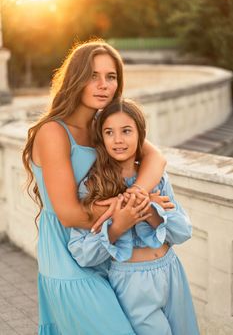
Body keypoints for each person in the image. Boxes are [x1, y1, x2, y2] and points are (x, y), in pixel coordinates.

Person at [22, 39, 169, 335]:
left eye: (111, 76)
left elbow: (156, 156)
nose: (103, 85)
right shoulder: (54, 132)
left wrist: (134, 194)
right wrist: (129, 210)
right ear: (75, 79)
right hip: (67, 260)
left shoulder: (103, 127)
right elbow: (68, 214)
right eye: (93, 76)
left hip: (106, 252)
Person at [68, 99, 200, 335]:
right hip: (132, 284)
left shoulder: (157, 178)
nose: (118, 140)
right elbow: (81, 253)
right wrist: (118, 226)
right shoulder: (92, 186)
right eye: (109, 132)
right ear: (102, 138)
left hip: (171, 271)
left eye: (126, 131)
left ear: (141, 135)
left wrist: (149, 210)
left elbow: (183, 232)